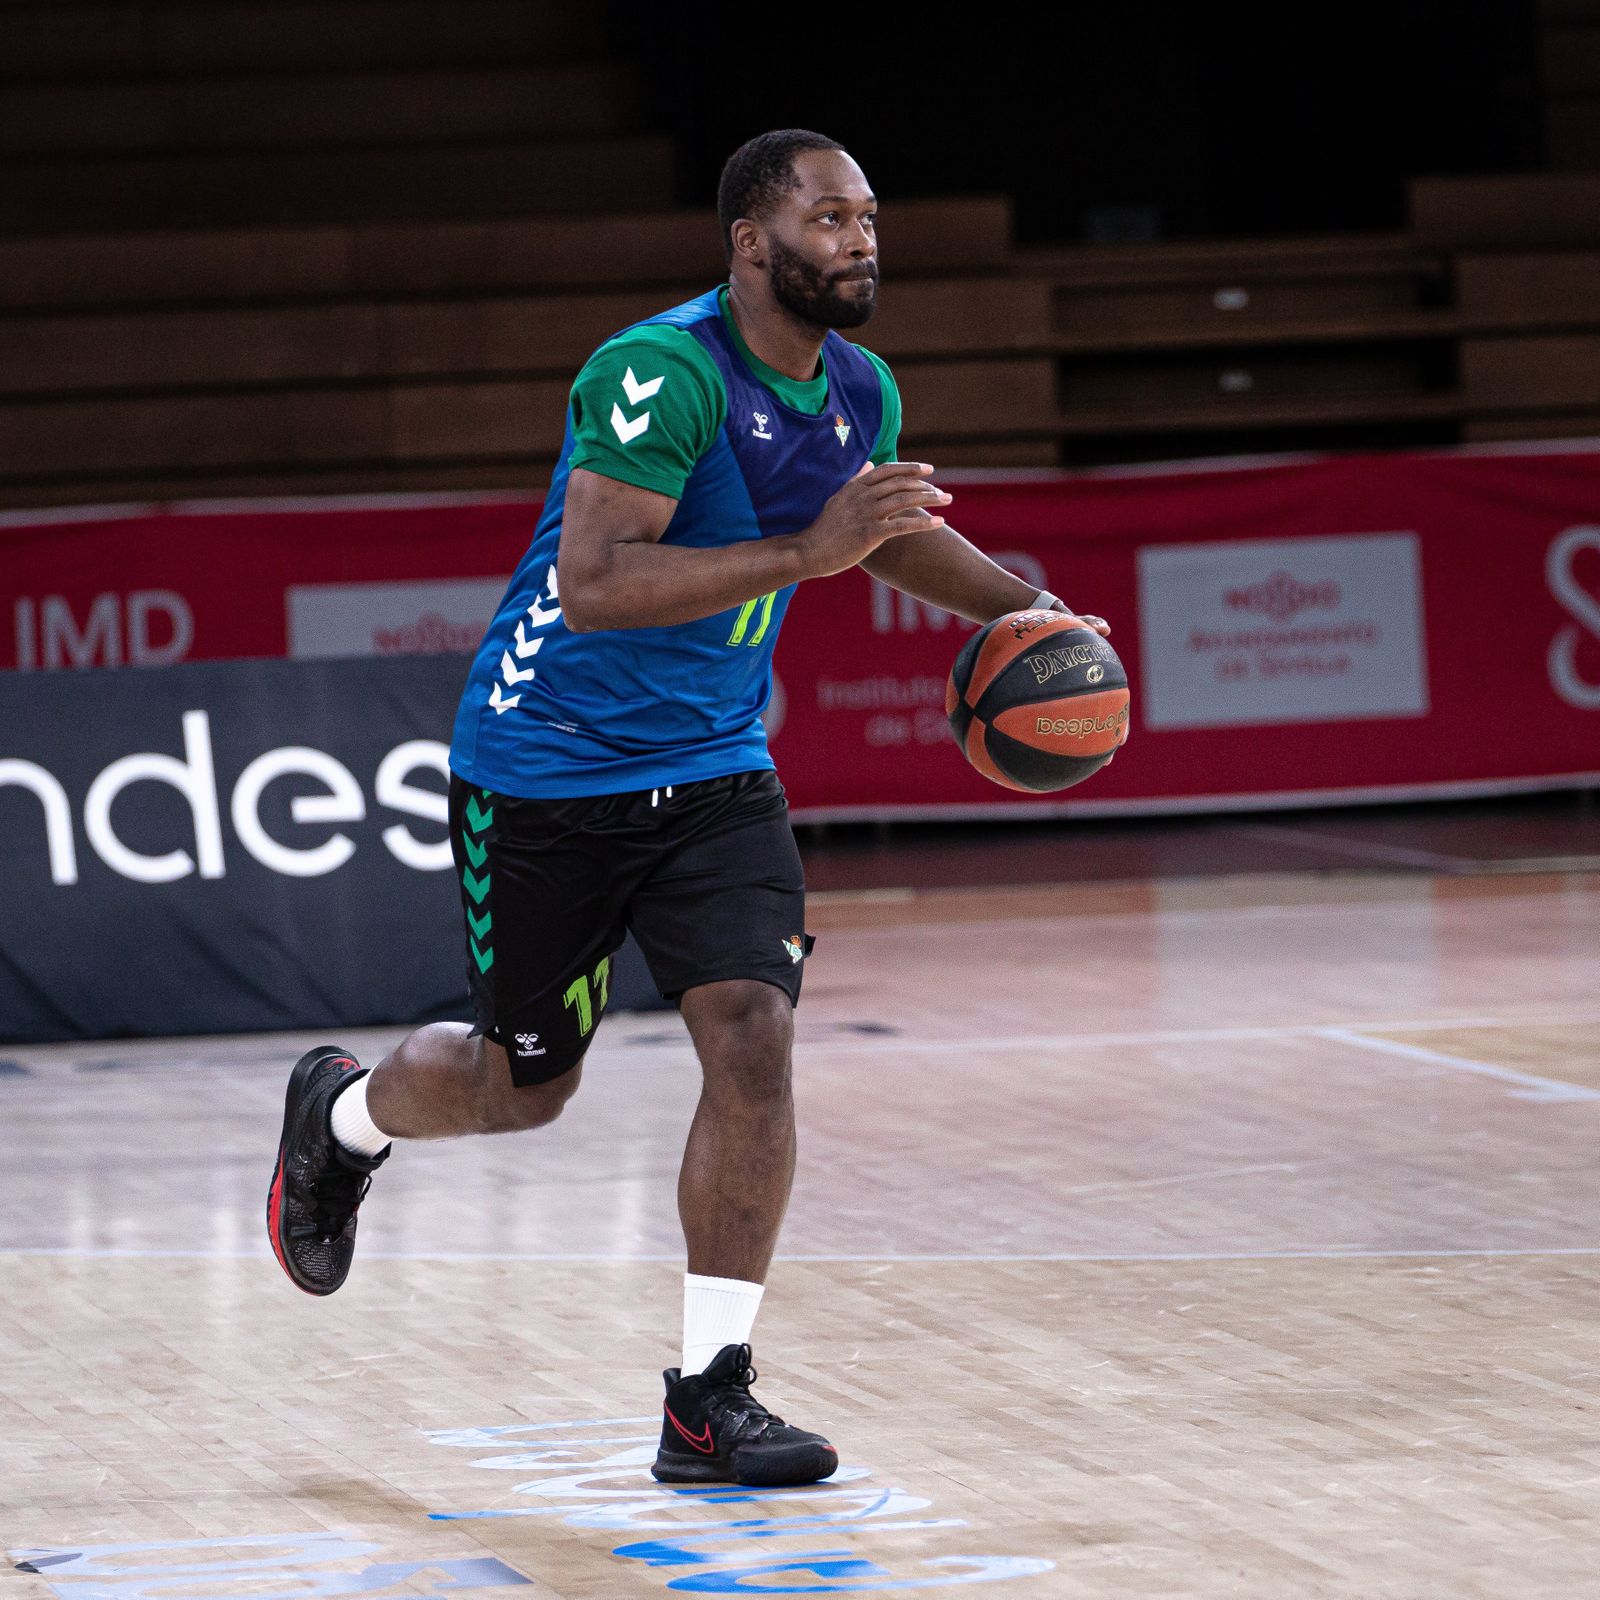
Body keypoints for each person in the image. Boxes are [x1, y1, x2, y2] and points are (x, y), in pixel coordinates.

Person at [267, 127, 1108, 1487]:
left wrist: (1028, 607)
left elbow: (887, 533)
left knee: (756, 1041)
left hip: (717, 774)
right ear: (750, 240)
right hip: (546, 772)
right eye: (830, 219)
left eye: (870, 220)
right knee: (518, 1089)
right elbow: (600, 584)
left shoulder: (858, 391)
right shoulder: (658, 373)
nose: (860, 243)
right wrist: (806, 552)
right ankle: (344, 1119)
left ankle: (707, 1398)